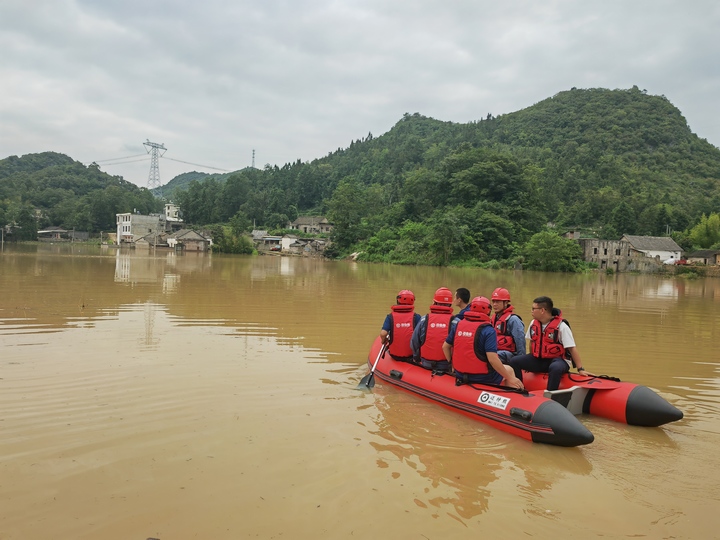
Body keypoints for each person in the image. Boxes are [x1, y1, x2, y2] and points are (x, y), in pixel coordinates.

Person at [508, 296, 594, 391]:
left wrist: (580, 369)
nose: (531, 311)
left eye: (533, 309)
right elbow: (532, 342)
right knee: (514, 361)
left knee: (555, 368)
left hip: (559, 360)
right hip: (539, 359)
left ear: (542, 310)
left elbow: (572, 349)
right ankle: (519, 389)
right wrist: (530, 361)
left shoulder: (562, 326)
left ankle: (550, 395)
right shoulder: (533, 323)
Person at [442, 296, 524, 389]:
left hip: (460, 373)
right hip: (482, 376)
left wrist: (452, 364)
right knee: (509, 370)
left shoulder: (458, 324)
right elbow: (493, 360)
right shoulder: (488, 330)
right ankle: (511, 397)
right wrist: (510, 378)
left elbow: (445, 347)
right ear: (488, 311)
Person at [411, 287, 455, 372]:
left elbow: (414, 342)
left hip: (426, 363)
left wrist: (416, 358)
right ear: (450, 304)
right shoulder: (456, 322)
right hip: (446, 364)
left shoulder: (424, 319)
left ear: (434, 302)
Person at [380, 289, 422, 362]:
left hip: (395, 356)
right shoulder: (417, 317)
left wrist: (383, 341)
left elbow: (383, 333)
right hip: (411, 355)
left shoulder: (390, 317)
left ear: (398, 301)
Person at [490, 287, 526, 363]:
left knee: (495, 356)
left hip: (509, 354)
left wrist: (521, 361)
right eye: (493, 302)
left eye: (498, 302)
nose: (494, 305)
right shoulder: (494, 318)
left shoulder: (513, 320)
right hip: (495, 351)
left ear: (506, 303)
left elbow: (520, 341)